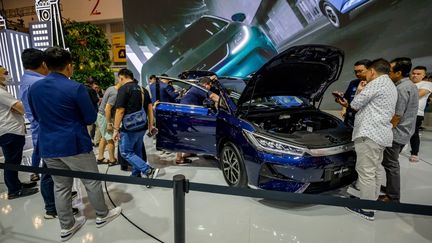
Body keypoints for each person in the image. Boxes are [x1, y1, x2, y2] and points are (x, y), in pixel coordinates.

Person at [28, 47, 121, 241]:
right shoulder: (75, 88)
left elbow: (36, 117)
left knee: (60, 187)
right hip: (74, 144)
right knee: (91, 181)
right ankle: (102, 215)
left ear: (46, 65)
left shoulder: (34, 88)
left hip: (48, 145)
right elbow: (89, 118)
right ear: (69, 66)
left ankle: (66, 227)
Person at [19, 48, 78, 219]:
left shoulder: (28, 80)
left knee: (53, 172)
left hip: (45, 133)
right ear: (44, 64)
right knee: (49, 174)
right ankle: (52, 208)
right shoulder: (37, 84)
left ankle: (57, 202)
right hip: (47, 134)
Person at [338, 59, 397, 221]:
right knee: (375, 170)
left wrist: (360, 90)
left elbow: (356, 104)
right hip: (381, 134)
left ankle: (367, 208)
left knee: (366, 172)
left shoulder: (376, 83)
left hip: (369, 134)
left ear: (372, 71)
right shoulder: (390, 84)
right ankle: (371, 201)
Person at [378, 57, 418, 203]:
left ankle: (393, 196)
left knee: (390, 164)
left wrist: (385, 131)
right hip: (406, 131)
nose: (388, 74)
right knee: (390, 163)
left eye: (390, 71)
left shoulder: (401, 89)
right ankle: (391, 189)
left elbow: (396, 116)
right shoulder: (411, 85)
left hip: (396, 134)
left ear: (399, 72)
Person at [0, 66, 39, 199]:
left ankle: (16, 185)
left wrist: (16, 109)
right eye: (5, 73)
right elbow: (22, 108)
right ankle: (14, 190)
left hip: (8, 130)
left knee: (12, 160)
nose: (8, 75)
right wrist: (18, 108)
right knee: (12, 161)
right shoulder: (1, 92)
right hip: (10, 131)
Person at [113, 69, 158, 179]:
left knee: (126, 152)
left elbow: (120, 111)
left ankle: (148, 170)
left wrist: (115, 129)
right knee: (137, 151)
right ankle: (135, 174)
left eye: (119, 79)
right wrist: (151, 125)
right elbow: (150, 109)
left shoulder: (123, 89)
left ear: (122, 77)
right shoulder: (143, 90)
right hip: (142, 126)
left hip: (129, 127)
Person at [19, 48, 49, 182]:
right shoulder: (39, 82)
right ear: (43, 63)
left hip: (36, 123)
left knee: (38, 151)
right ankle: (52, 196)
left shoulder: (25, 79)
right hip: (45, 125)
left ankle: (35, 172)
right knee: (51, 162)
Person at [176, 77, 220, 164]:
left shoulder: (194, 87)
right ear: (206, 85)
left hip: (184, 112)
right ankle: (179, 158)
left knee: (187, 133)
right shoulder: (200, 88)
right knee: (186, 134)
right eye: (210, 86)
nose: (210, 88)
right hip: (187, 113)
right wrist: (225, 103)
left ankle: (188, 152)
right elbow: (214, 96)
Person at [335, 59, 371, 127]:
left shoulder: (374, 85)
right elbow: (347, 98)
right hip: (349, 122)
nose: (357, 74)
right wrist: (340, 98)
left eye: (360, 71)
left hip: (363, 124)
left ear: (370, 70)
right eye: (355, 72)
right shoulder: (353, 83)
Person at [96, 78, 122, 165]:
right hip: (105, 117)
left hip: (101, 115)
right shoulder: (115, 93)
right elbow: (107, 109)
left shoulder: (111, 88)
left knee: (104, 137)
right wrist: (109, 123)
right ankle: (112, 160)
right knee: (110, 138)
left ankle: (100, 157)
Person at [409, 66, 431, 162]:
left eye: (418, 74)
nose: (415, 75)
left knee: (414, 133)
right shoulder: (407, 83)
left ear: (423, 75)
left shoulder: (427, 84)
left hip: (416, 113)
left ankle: (414, 153)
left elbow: (417, 95)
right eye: (413, 73)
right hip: (402, 112)